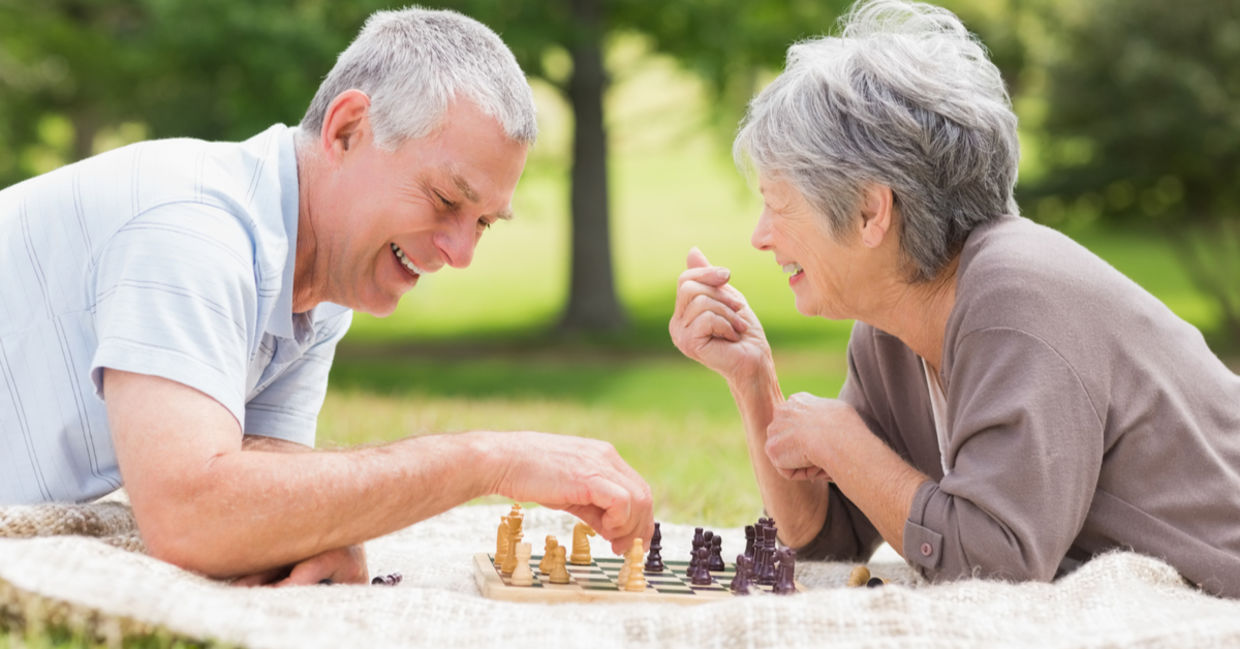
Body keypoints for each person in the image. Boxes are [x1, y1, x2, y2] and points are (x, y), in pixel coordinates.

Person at [0, 8, 653, 586]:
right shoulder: (191, 228)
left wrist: (317, 528)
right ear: (347, 130)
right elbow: (191, 515)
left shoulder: (316, 283)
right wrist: (488, 459)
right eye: (446, 199)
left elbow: (258, 479)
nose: (462, 253)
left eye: (483, 222)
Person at [670, 0, 1240, 596]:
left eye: (778, 203)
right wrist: (754, 381)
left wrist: (843, 442)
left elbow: (996, 569)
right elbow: (828, 539)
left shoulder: (1017, 298)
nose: (760, 236)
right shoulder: (892, 328)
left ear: (871, 212)